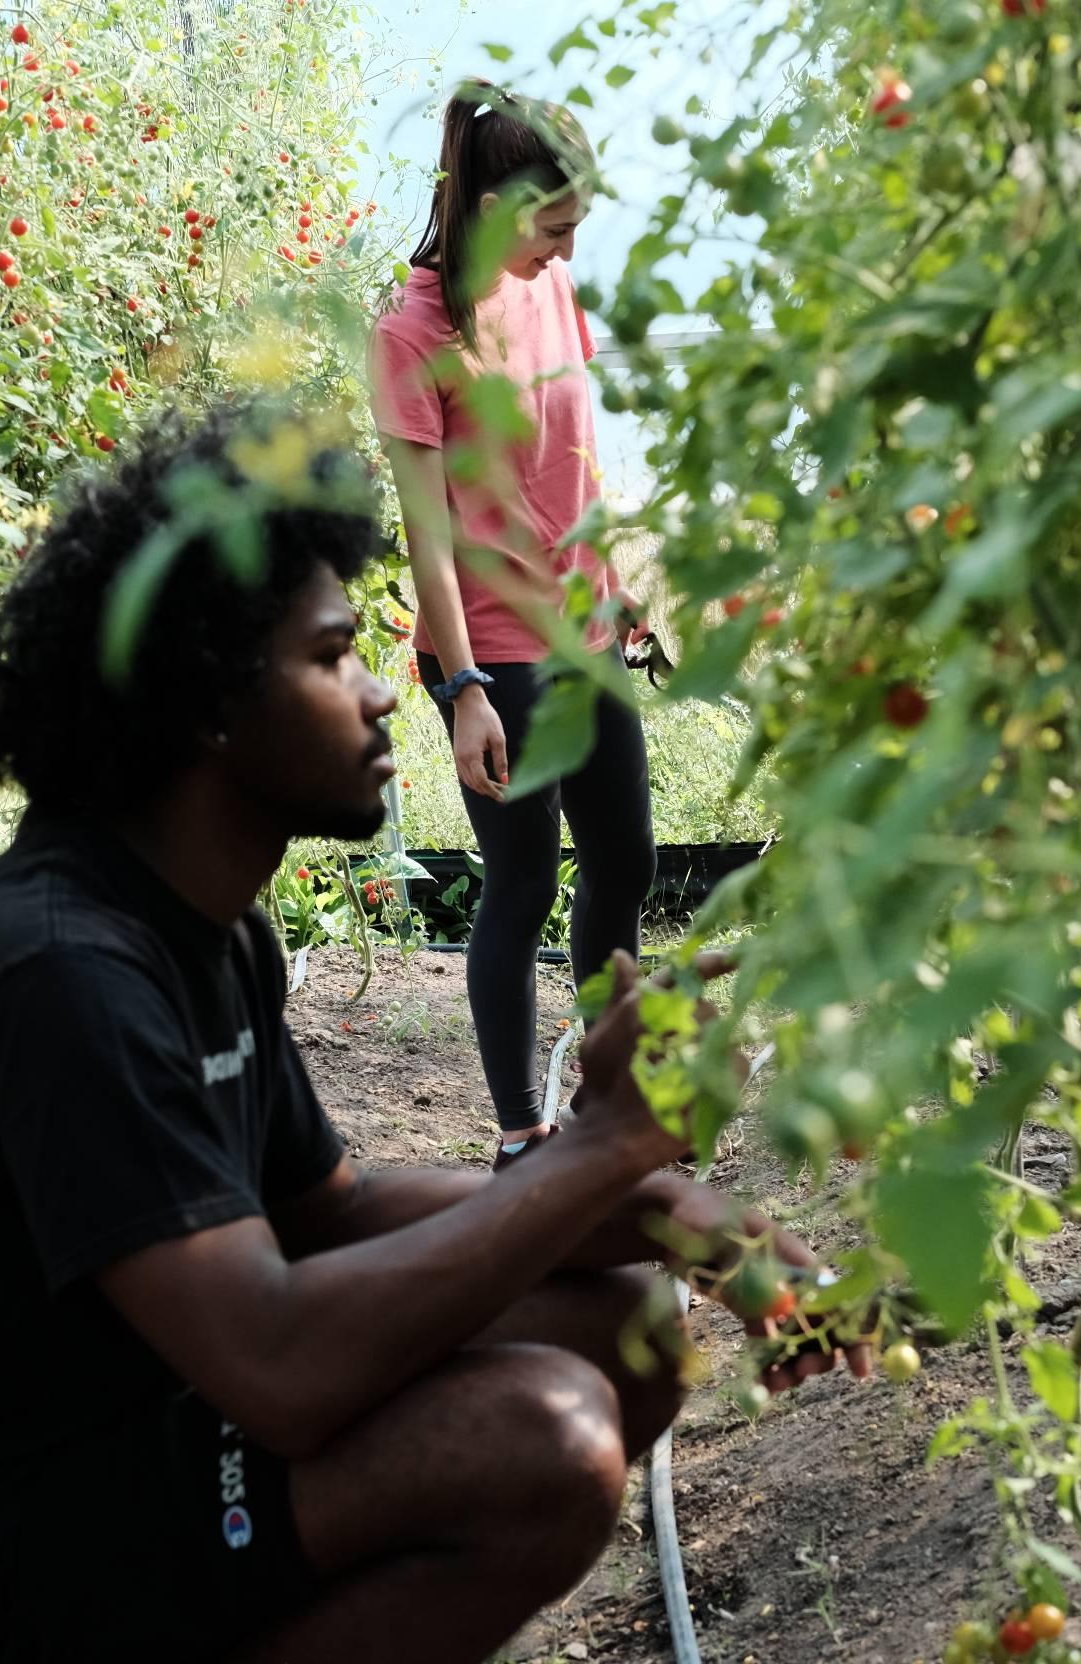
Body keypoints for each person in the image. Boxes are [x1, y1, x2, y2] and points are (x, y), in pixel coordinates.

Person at [0, 402, 865, 1664]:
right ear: (204, 703)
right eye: (334, 653)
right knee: (540, 1436)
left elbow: (330, 1213)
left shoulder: (209, 931)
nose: (380, 695)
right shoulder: (60, 971)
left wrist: (688, 1218)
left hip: (118, 1435)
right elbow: (281, 1362)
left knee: (620, 1321)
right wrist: (599, 1150)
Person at [369, 80, 657, 1169]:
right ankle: (517, 1136)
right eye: (553, 226)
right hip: (497, 653)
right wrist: (464, 690)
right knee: (523, 883)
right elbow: (426, 534)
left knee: (622, 862)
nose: (566, 249)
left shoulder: (551, 293)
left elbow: (571, 450)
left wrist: (616, 571)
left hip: (585, 635)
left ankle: (606, 1096)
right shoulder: (411, 335)